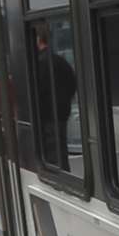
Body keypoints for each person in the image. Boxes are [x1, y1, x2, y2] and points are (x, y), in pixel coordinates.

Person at [33, 26, 77, 165]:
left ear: (38, 40)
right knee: (60, 150)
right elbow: (72, 84)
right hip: (62, 112)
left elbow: (38, 91)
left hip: (46, 115)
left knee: (51, 155)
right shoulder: (60, 60)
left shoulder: (38, 63)